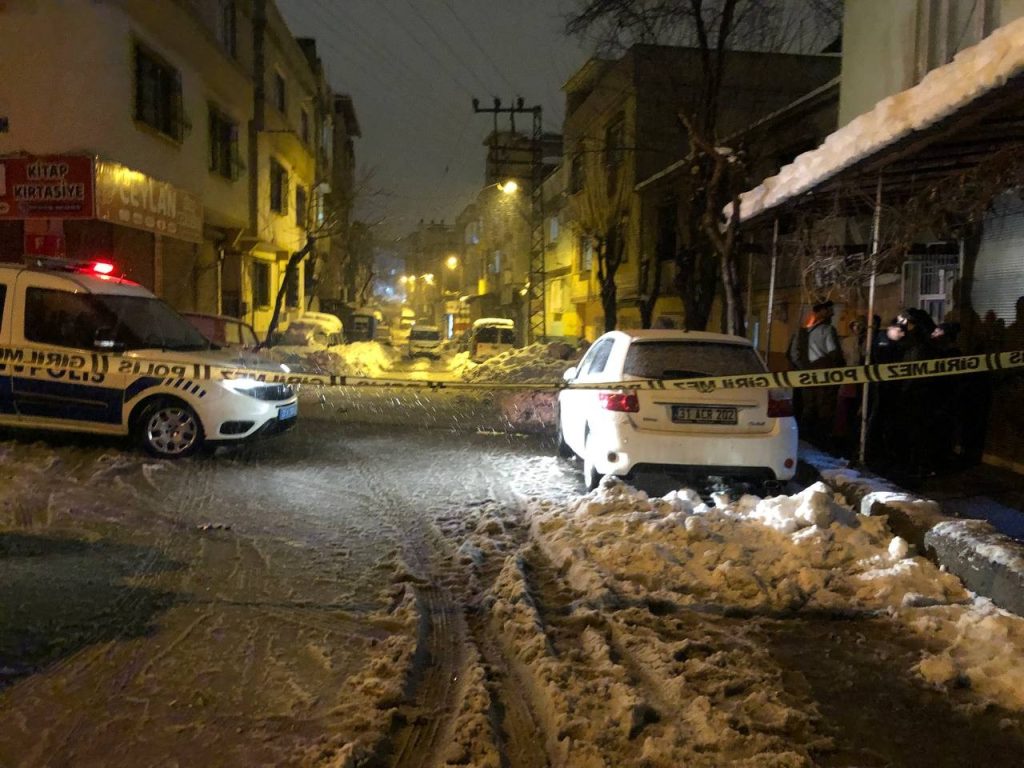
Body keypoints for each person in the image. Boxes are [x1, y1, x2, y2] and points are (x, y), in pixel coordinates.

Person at [787, 298, 843, 447]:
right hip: (824, 375)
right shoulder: (827, 330)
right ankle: (821, 441)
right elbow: (834, 353)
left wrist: (803, 369)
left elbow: (793, 354)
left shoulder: (804, 331)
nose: (832, 313)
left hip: (806, 375)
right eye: (830, 310)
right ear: (822, 311)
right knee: (824, 408)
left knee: (808, 407)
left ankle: (806, 439)